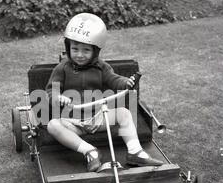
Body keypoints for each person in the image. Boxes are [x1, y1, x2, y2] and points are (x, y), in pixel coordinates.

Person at [45, 13, 163, 172]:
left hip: (98, 117)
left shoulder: (102, 67)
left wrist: (125, 83)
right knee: (53, 125)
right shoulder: (62, 68)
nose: (80, 54)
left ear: (95, 51)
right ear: (68, 47)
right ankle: (90, 151)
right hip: (72, 121)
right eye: (75, 49)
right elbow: (52, 89)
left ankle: (135, 152)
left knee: (124, 113)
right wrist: (58, 97)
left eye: (86, 50)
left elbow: (114, 79)